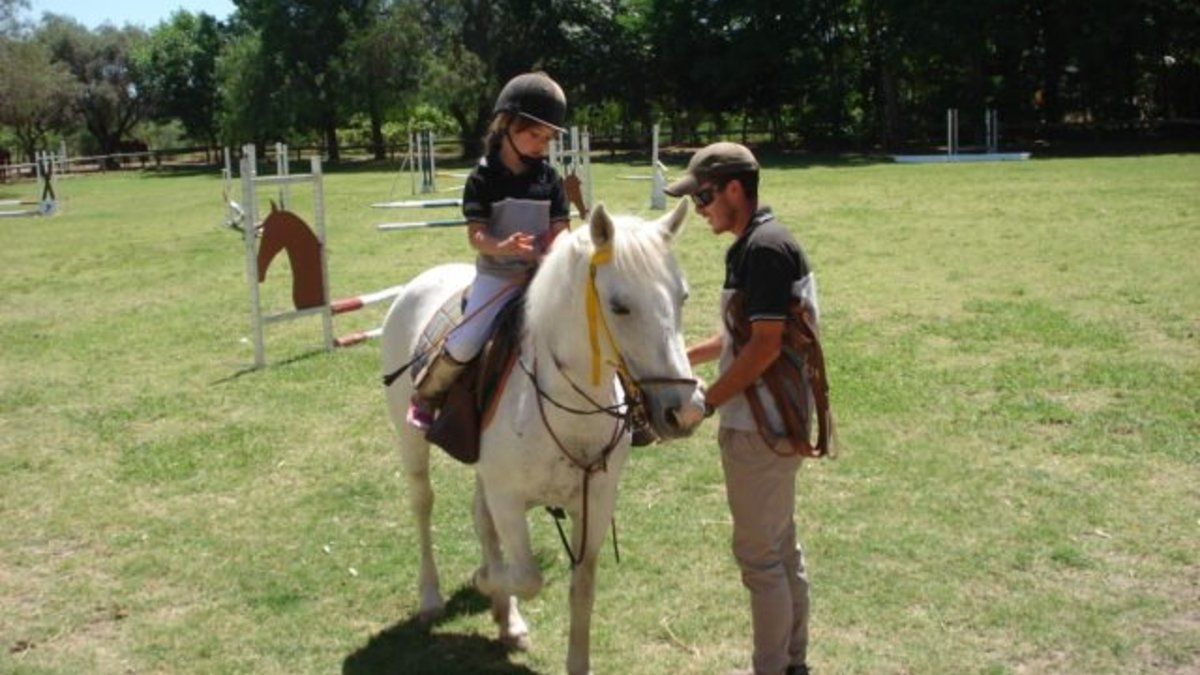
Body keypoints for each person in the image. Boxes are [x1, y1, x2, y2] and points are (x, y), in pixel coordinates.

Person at [669, 142, 818, 675]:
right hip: (772, 422)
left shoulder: (763, 249)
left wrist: (706, 402)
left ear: (735, 189)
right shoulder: (759, 244)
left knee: (761, 561)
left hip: (760, 427)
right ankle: (791, 662)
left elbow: (765, 347)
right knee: (780, 550)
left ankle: (773, 668)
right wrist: (680, 359)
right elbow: (741, 338)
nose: (700, 208)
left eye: (704, 196)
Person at [408, 72, 573, 429]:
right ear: (506, 125)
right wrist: (504, 246)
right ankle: (426, 395)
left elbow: (562, 229)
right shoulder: (482, 178)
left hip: (543, 277)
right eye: (534, 135)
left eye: (548, 139)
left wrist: (555, 250)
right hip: (498, 277)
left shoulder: (550, 178)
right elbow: (476, 236)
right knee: (466, 342)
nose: (542, 146)